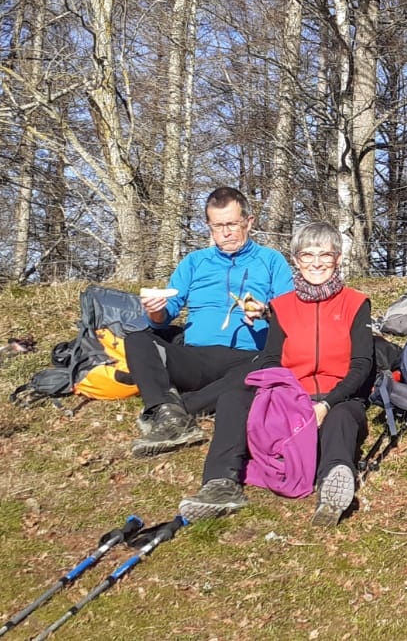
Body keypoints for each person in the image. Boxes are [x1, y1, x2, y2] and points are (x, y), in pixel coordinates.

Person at [179, 222, 372, 526]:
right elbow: (271, 359)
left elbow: (361, 364)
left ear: (337, 258)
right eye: (307, 255)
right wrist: (287, 400)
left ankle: (333, 483)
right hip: (291, 398)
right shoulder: (281, 306)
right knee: (233, 398)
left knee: (342, 418)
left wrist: (327, 404)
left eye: (325, 254)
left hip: (339, 398)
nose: (316, 263)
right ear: (296, 260)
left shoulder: (356, 303)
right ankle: (219, 483)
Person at [126, 187, 294, 457]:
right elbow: (163, 318)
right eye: (218, 226)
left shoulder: (271, 260)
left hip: (248, 358)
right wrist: (155, 311)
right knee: (137, 340)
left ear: (249, 222)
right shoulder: (194, 262)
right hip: (196, 357)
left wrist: (266, 312)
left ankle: (177, 411)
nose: (225, 233)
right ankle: (172, 413)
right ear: (209, 226)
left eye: (232, 224)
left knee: (269, 369)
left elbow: (291, 316)